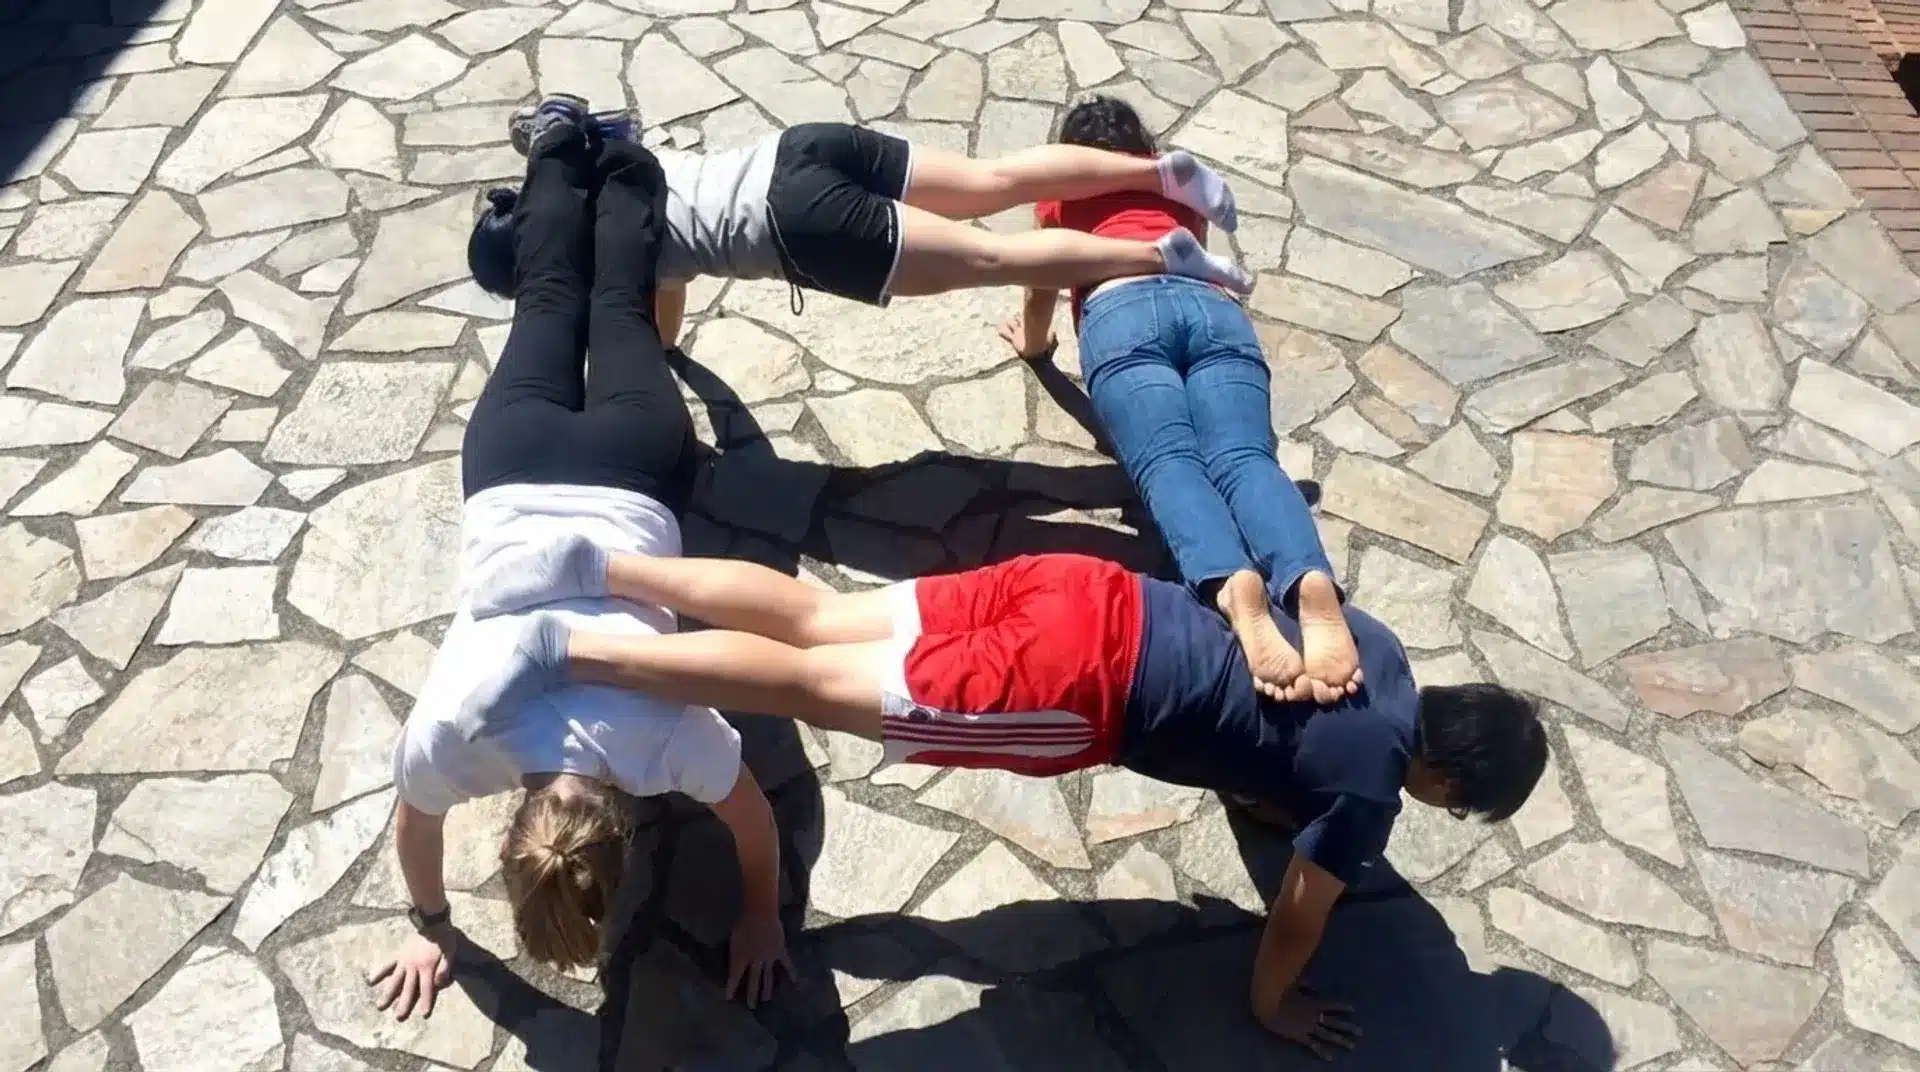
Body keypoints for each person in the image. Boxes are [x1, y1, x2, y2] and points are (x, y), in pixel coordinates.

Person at [443, 537, 1549, 1060]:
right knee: (816, 686)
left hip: (1088, 589)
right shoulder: (1367, 797)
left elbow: (1268, 733)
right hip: (1076, 688)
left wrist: (1264, 791)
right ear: (1446, 779)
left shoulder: (1379, 650)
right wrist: (1273, 1004)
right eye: (1452, 807)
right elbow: (1299, 916)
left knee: (824, 618)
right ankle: (564, 645)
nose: (1436, 813)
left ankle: (597, 570)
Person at [367, 99, 791, 1024]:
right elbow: (414, 819)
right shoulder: (454, 738)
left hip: (635, 468)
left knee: (617, 305)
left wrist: (764, 916)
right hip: (511, 464)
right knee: (551, 297)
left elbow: (755, 820)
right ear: (516, 840)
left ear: (623, 850)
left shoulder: (664, 748)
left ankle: (629, 160)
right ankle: (562, 139)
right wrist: (431, 920)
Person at [997, 95, 1356, 707]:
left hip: (1122, 308)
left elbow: (1043, 280)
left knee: (1170, 462)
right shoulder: (1177, 182)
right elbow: (1190, 245)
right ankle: (1309, 579)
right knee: (1245, 458)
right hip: (1213, 308)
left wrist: (1035, 344)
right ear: (1143, 143)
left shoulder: (1060, 197)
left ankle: (1234, 583)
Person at [467, 95, 1256, 347]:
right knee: (995, 179)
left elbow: (663, 332)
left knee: (993, 260)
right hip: (804, 149)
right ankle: (1162, 173)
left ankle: (1163, 258)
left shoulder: (607, 252)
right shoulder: (604, 173)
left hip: (799, 224)